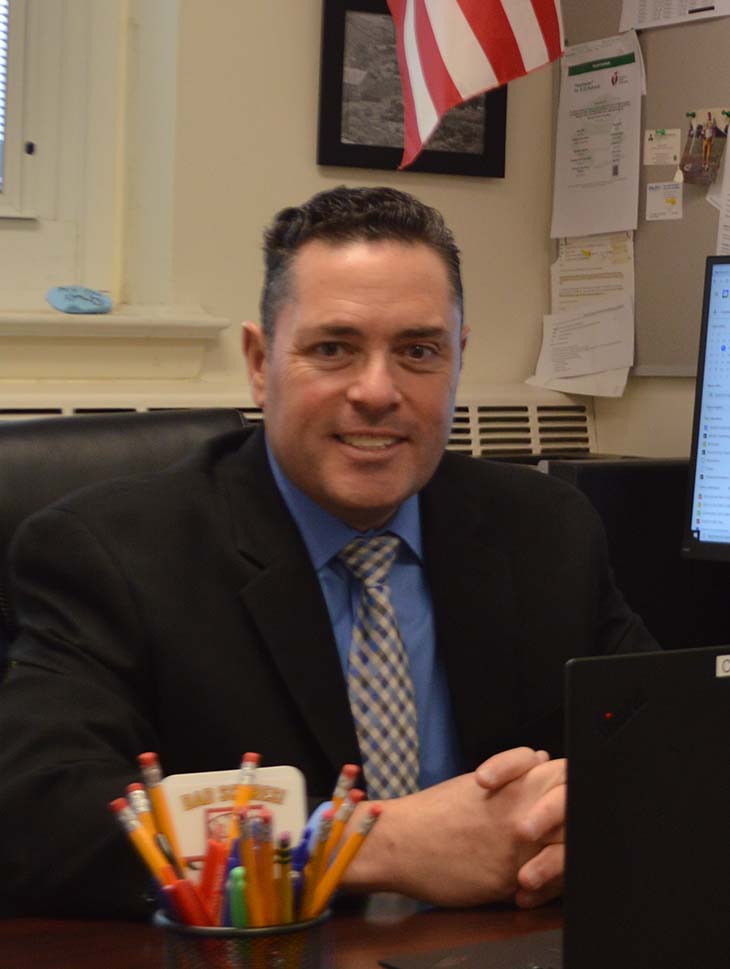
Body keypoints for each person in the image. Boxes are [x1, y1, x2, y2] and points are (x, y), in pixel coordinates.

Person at [0, 187, 656, 919]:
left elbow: (662, 748)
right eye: (333, 347)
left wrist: (582, 824)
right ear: (259, 361)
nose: (377, 391)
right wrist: (376, 842)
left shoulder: (545, 527)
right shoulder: (113, 553)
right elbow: (36, 812)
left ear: (457, 360)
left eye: (418, 350)